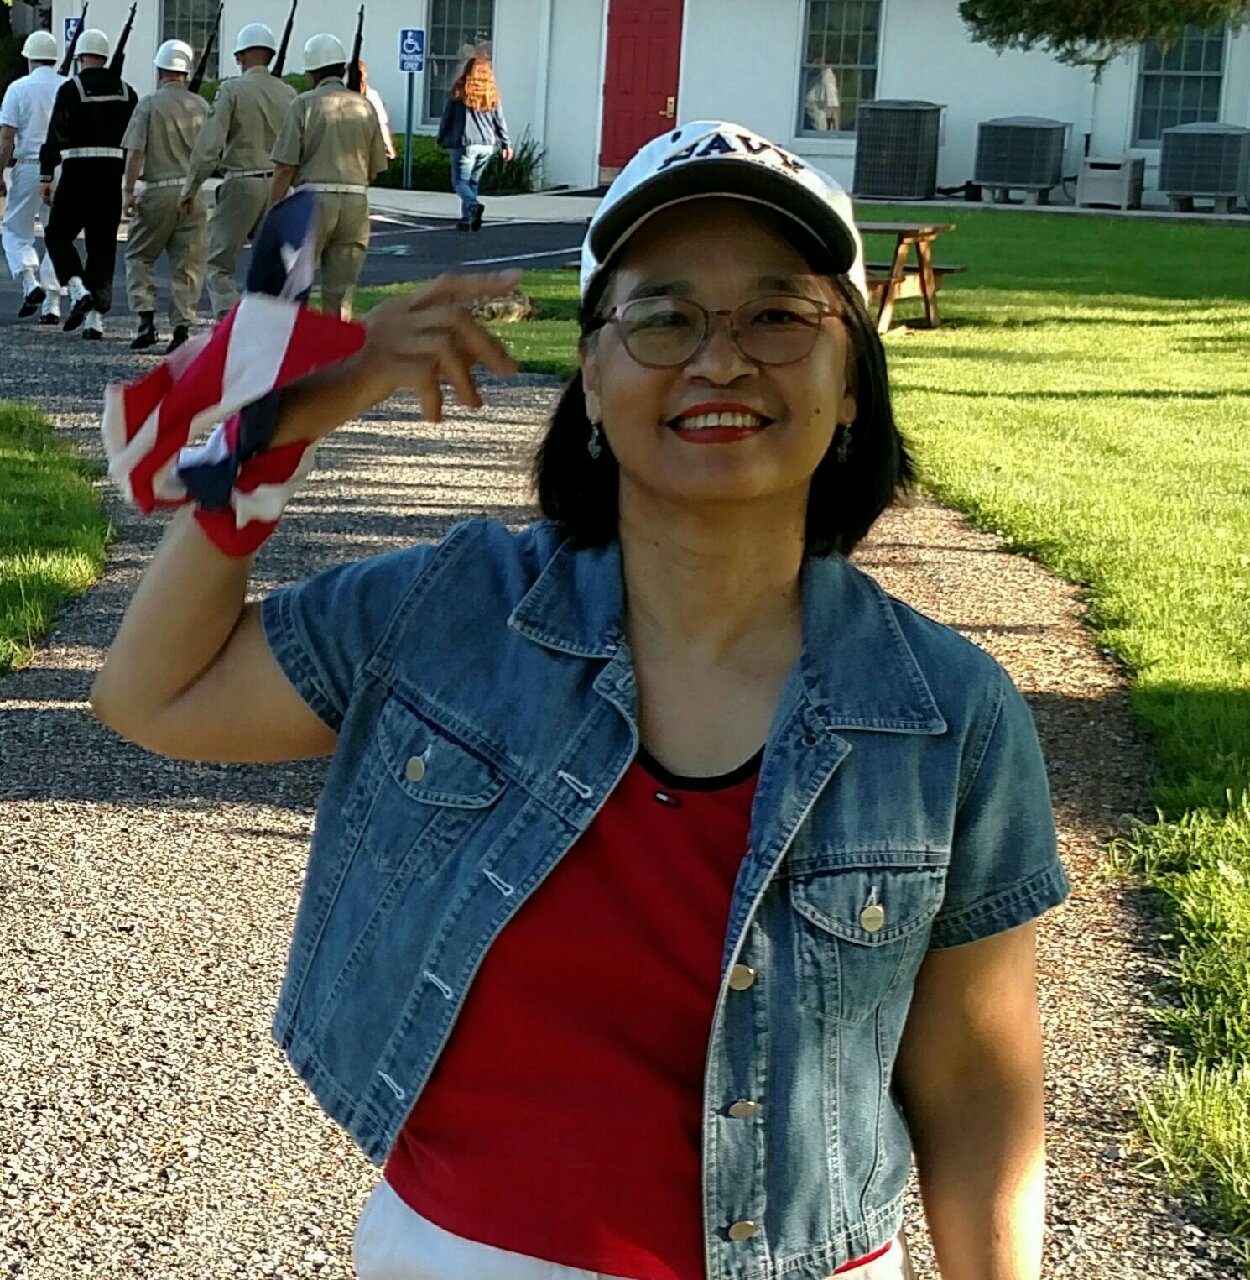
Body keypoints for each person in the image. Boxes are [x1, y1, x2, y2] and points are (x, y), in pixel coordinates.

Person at [91, 121, 1069, 1280]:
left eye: (776, 316)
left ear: (848, 378)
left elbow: (973, 1085)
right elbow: (156, 694)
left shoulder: (948, 712)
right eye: (662, 317)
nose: (719, 361)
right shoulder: (453, 611)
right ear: (592, 381)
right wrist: (289, 423)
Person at [180, 22, 298, 319]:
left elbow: (210, 146)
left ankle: (230, 319)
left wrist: (191, 186)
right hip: (280, 185)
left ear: (242, 56)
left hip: (242, 183)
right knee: (270, 263)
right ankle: (269, 321)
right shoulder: (289, 94)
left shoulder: (232, 90)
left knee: (219, 263)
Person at [269, 32, 387, 319]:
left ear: (311, 73)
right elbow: (374, 169)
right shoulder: (365, 106)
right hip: (355, 203)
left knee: (294, 285)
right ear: (342, 69)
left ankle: (293, 341)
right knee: (341, 293)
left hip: (312, 201)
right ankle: (337, 344)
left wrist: (274, 209)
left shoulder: (303, 104)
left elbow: (286, 166)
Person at [39, 27, 137, 340]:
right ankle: (95, 320)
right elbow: (135, 139)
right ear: (105, 57)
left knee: (57, 235)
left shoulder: (72, 89)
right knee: (102, 246)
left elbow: (56, 134)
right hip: (110, 176)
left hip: (77, 173)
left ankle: (76, 287)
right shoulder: (128, 92)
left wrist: (46, 174)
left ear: (80, 57)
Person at [121, 40, 209, 353]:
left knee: (139, 255)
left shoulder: (148, 105)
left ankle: (146, 319)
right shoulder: (201, 106)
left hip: (157, 190)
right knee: (188, 263)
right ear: (187, 72)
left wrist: (128, 191)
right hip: (193, 191)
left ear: (160, 70)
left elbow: (135, 151)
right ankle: (182, 327)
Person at [0, 30, 64, 324]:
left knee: (14, 229)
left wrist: (0, 172)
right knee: (57, 235)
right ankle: (53, 302)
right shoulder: (66, 86)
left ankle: (29, 281)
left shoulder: (18, 88)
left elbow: (7, 137)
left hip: (28, 165)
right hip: (61, 167)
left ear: (29, 58)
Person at [436, 53, 511, 231]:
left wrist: (441, 138)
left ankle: (472, 206)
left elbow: (447, 118)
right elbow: (499, 120)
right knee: (472, 182)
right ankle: (467, 219)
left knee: (460, 183)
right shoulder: (491, 94)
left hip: (465, 142)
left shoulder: (459, 91)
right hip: (487, 144)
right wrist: (506, 143)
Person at [359, 61, 396, 162]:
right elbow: (381, 123)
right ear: (365, 74)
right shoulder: (372, 96)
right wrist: (388, 147)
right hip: (367, 147)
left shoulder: (341, 96)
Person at [805, 58, 841, 132]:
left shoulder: (827, 79)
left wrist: (835, 133)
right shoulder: (810, 77)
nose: (814, 63)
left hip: (820, 128)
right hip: (809, 124)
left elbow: (832, 106)